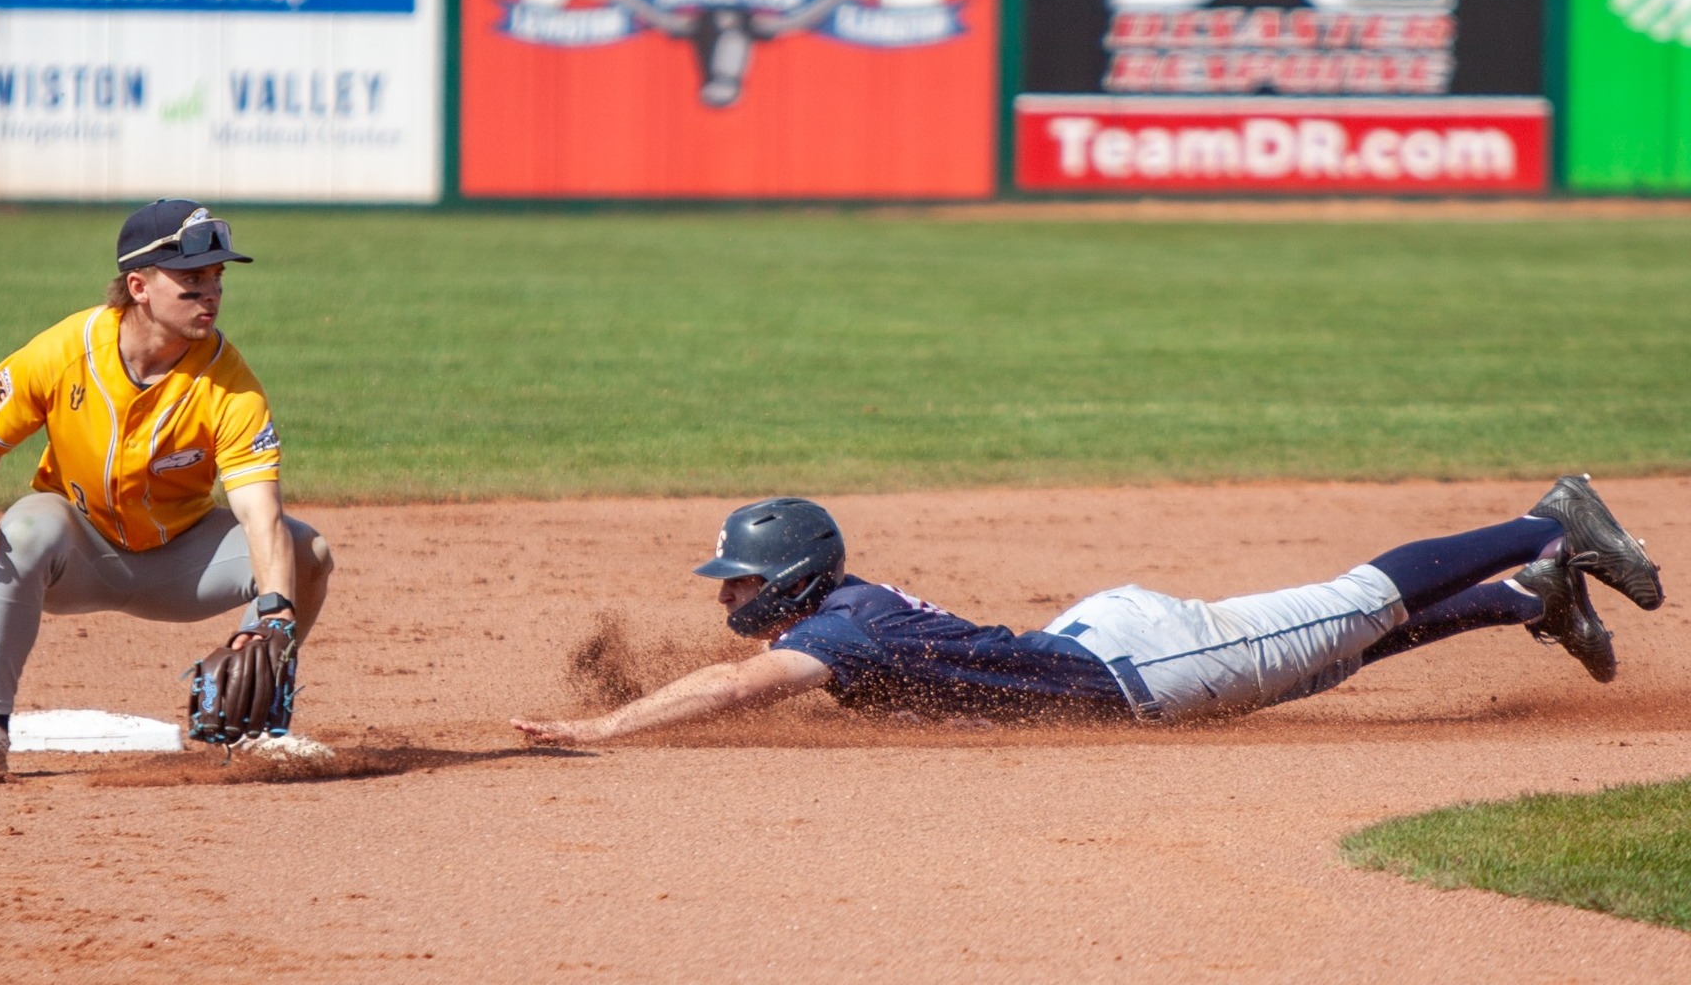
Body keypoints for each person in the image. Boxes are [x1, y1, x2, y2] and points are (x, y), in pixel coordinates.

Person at [512, 479, 1663, 745]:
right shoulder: (840, 621)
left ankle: (1547, 523)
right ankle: (1526, 596)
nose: (734, 597)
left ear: (798, 581)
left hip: (1146, 663)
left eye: (743, 580)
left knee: (1355, 602)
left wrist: (606, 729)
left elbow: (730, 688)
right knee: (1325, 661)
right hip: (1107, 656)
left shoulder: (840, 632)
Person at [0, 200, 335, 771]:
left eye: (216, 278)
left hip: (181, 565)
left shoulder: (232, 385)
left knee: (308, 552)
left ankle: (253, 726)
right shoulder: (66, 349)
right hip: (78, 557)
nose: (211, 294)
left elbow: (260, 515)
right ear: (139, 286)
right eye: (191, 279)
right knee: (27, 522)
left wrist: (273, 616)